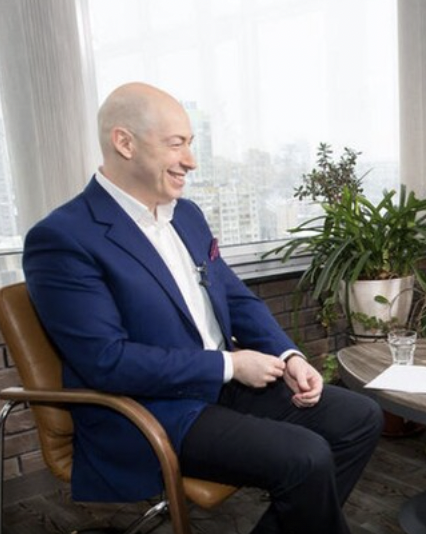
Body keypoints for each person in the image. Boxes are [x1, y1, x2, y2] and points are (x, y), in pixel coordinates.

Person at [23, 82, 384, 534]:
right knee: (306, 458)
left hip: (220, 385)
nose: (191, 160)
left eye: (190, 143)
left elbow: (234, 296)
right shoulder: (62, 238)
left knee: (360, 418)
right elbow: (106, 361)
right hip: (150, 409)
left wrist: (288, 355)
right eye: (176, 144)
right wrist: (230, 365)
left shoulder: (187, 214)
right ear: (124, 143)